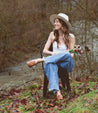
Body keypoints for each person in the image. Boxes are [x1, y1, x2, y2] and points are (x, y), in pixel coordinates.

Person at [27, 13, 75, 100]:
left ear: (63, 24)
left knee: (67, 54)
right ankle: (58, 92)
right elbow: (45, 50)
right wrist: (52, 53)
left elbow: (72, 55)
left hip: (66, 64)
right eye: (55, 22)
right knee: (50, 64)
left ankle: (41, 60)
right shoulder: (52, 34)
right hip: (53, 62)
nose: (55, 24)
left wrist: (63, 54)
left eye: (57, 22)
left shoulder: (71, 37)